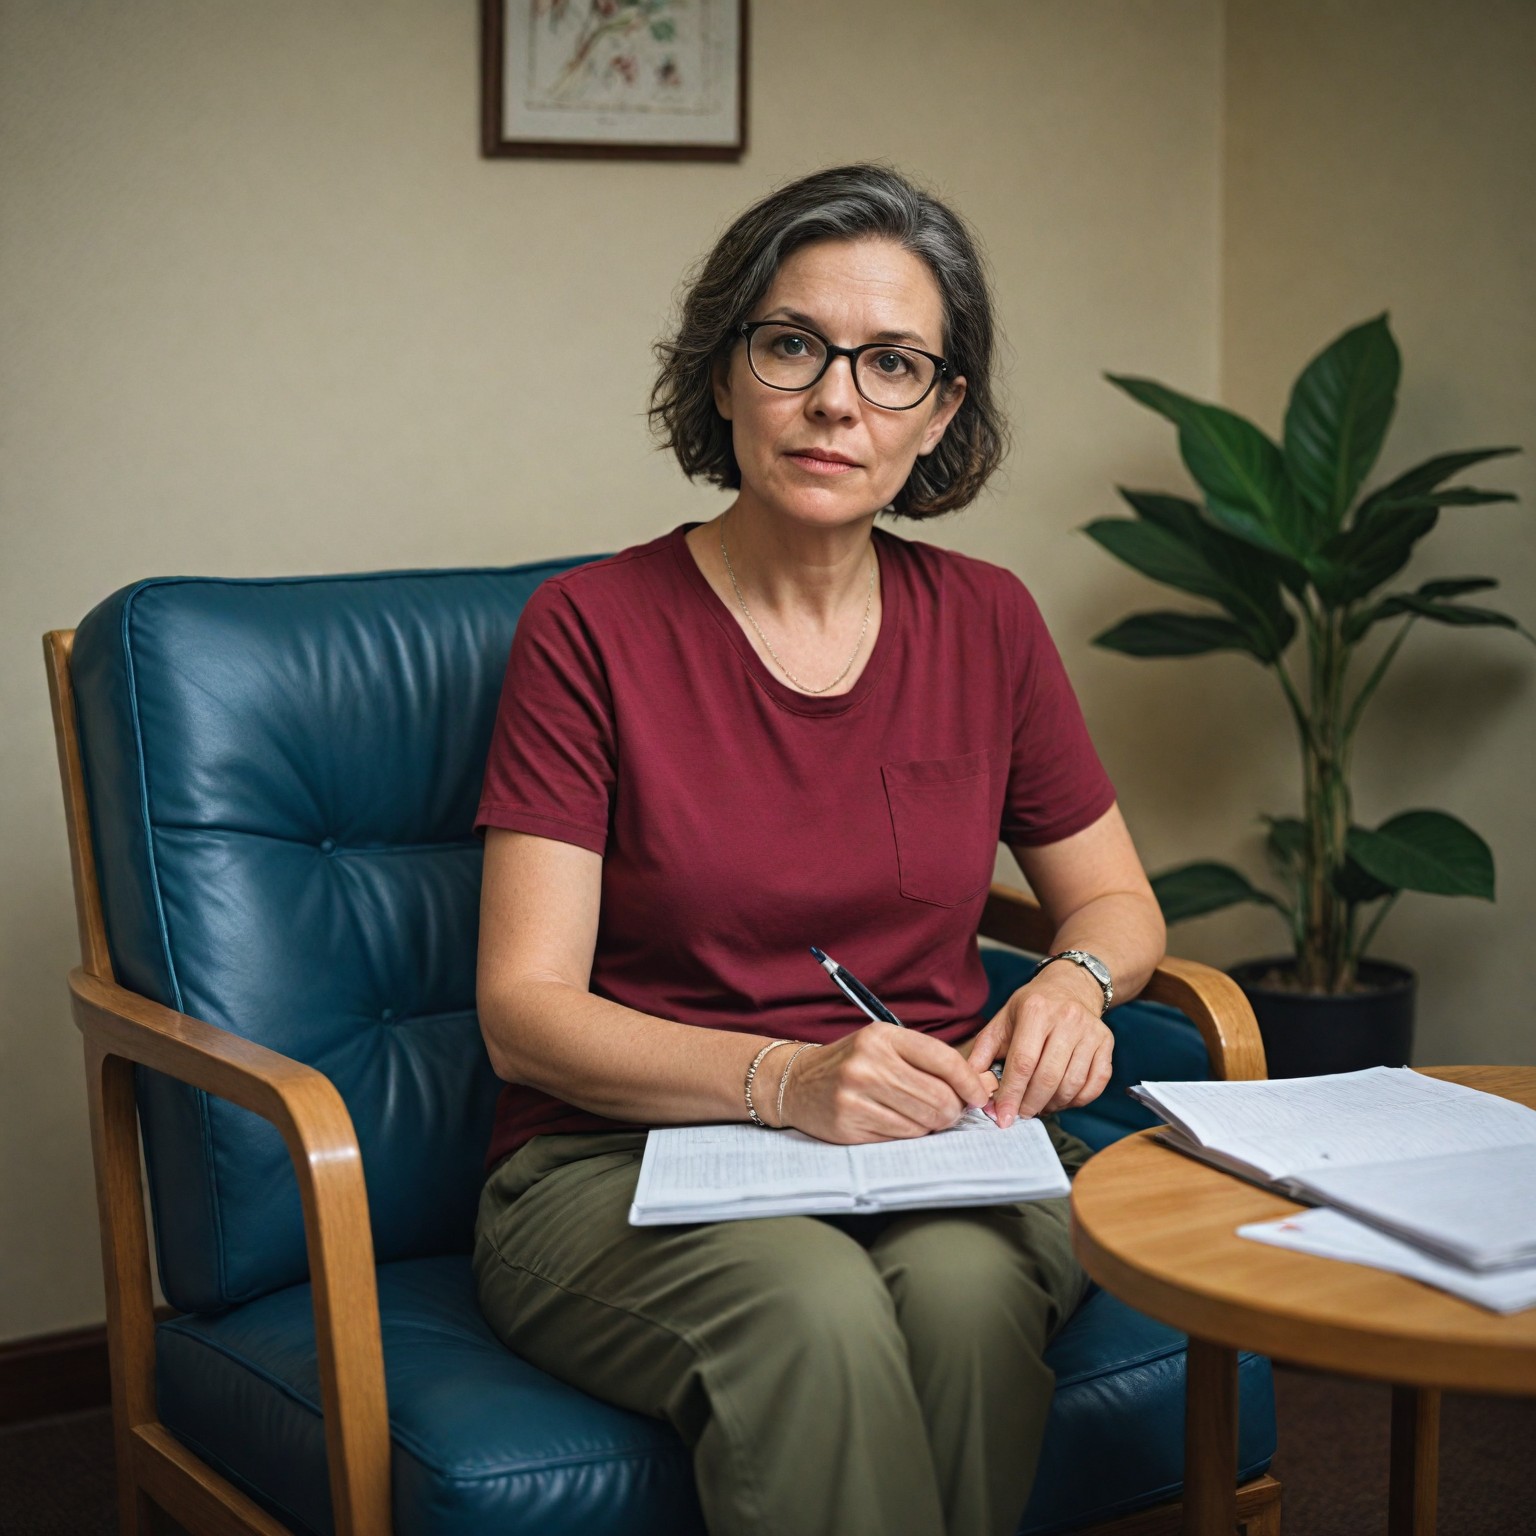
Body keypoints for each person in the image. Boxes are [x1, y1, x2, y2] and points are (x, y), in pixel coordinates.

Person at [472, 163, 1166, 1536]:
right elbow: (523, 1016)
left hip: (940, 1146)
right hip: (622, 1161)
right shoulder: (590, 629)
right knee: (814, 1313)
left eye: (894, 363)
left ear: (942, 412)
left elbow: (1118, 903)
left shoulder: (988, 622)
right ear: (725, 373)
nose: (837, 399)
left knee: (970, 1304)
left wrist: (1074, 983)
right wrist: (784, 1079)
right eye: (793, 345)